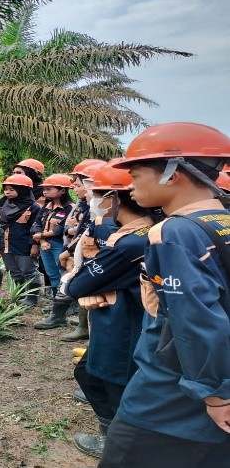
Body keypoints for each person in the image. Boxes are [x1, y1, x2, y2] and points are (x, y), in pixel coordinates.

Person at [96, 122, 230, 467]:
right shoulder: (221, 221)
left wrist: (215, 394)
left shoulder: (173, 234)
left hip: (173, 391)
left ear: (173, 174)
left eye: (137, 174)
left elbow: (195, 320)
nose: (130, 185)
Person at [62, 162, 155, 458]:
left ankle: (116, 443)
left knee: (113, 383)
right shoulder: (138, 232)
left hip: (123, 324)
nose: (92, 199)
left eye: (99, 194)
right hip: (120, 318)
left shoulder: (131, 243)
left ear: (115, 199)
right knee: (92, 373)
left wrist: (83, 286)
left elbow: (76, 286)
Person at [60, 159, 106, 342]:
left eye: (80, 185)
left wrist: (70, 252)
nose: (77, 189)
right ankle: (84, 327)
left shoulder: (103, 212)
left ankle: (89, 330)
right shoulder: (87, 207)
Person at [0, 174, 42, 301]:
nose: (7, 192)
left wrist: (34, 245)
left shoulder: (33, 207)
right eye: (6, 189)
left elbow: (37, 228)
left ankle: (32, 298)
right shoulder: (3, 204)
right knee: (14, 272)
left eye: (12, 189)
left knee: (29, 272)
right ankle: (20, 295)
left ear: (22, 190)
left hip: (24, 246)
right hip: (5, 244)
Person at [31, 173, 74, 297]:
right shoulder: (46, 207)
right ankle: (57, 301)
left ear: (62, 190)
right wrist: (42, 241)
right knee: (52, 274)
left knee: (64, 273)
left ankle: (69, 303)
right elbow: (36, 224)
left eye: (49, 189)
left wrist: (41, 236)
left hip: (60, 245)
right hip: (45, 245)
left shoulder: (70, 208)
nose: (44, 192)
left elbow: (61, 229)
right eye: (44, 189)